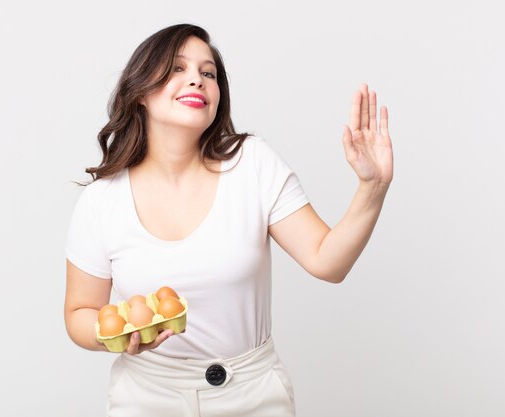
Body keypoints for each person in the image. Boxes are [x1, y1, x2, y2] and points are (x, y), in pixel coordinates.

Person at [64, 23, 393, 417]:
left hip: (254, 395)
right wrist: (118, 335)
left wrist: (372, 188)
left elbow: (327, 261)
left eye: (208, 74)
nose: (197, 81)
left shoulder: (252, 163)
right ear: (139, 93)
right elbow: (80, 312)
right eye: (177, 69)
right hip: (146, 397)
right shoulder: (102, 200)